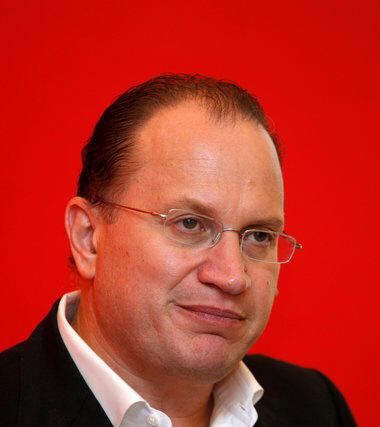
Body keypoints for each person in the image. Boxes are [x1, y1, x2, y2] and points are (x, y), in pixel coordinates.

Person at [0, 74, 356, 427]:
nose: (233, 277)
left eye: (259, 235)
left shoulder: (317, 408)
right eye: (190, 224)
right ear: (88, 238)